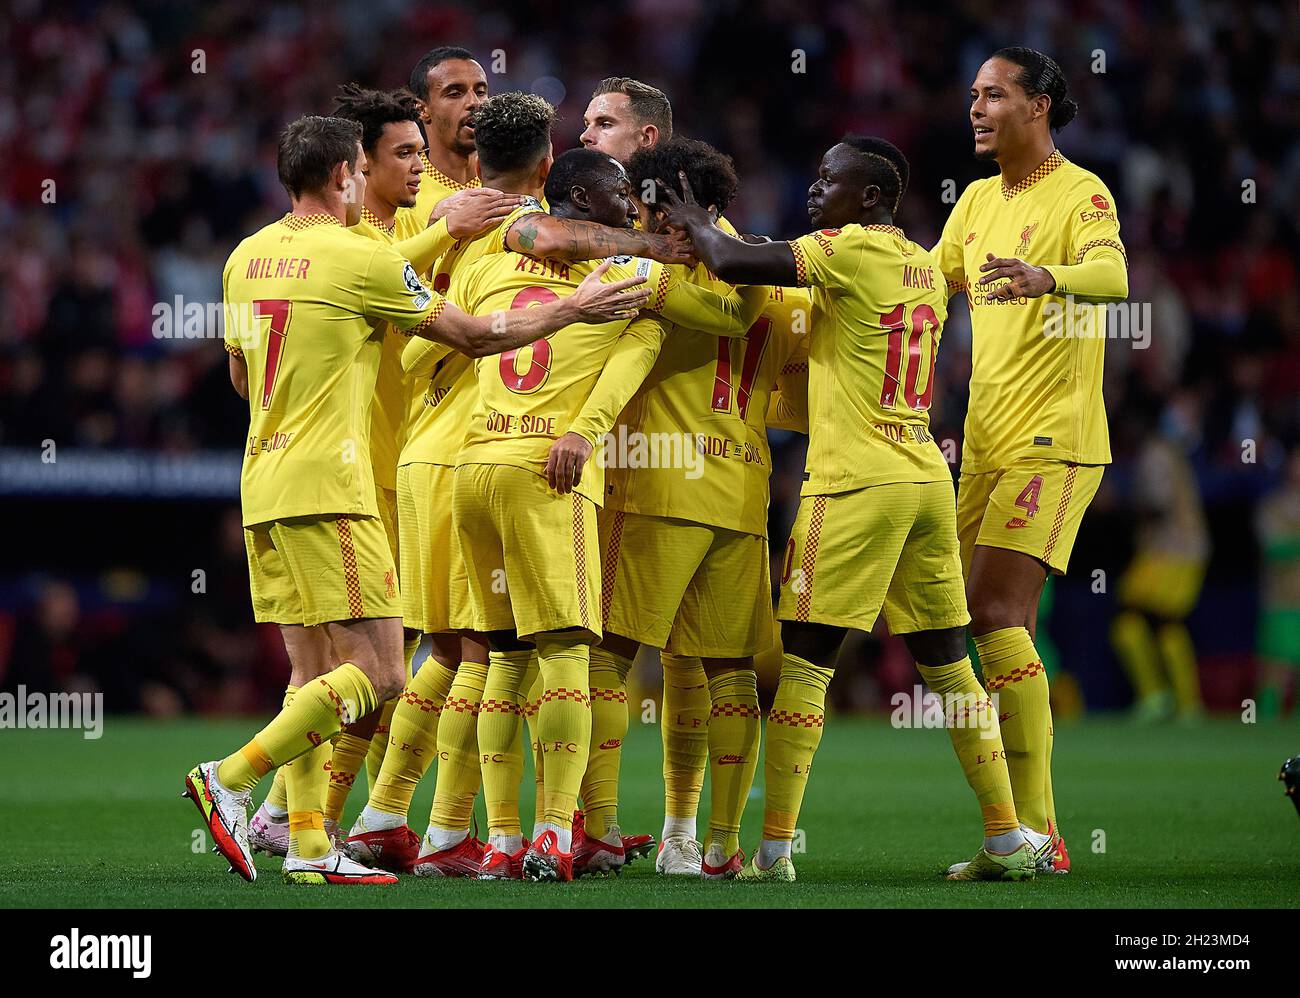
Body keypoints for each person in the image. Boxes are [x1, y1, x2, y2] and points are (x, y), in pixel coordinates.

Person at [184, 115, 651, 885]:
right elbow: (468, 335)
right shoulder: (360, 257)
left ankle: (307, 847)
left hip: (260, 479)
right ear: (344, 177)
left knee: (312, 675)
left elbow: (240, 377)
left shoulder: (245, 257)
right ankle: (230, 778)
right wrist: (570, 309)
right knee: (385, 673)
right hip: (333, 483)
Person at [662, 135, 1037, 882]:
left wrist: (688, 217)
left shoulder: (846, 249)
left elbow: (737, 262)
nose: (814, 187)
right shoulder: (926, 265)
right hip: (927, 477)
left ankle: (772, 851)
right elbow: (781, 258)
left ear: (869, 197)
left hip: (855, 483)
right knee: (949, 666)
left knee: (804, 665)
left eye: (829, 177)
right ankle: (1006, 837)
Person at [435, 146, 766, 881]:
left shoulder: (492, 257)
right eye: (617, 193)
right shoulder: (633, 276)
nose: (629, 203)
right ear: (584, 198)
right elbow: (735, 315)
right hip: (548, 474)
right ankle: (562, 832)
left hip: (474, 465)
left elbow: (454, 330)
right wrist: (713, 247)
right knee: (569, 655)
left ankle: (497, 840)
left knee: (498, 658)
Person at [931, 47, 1128, 873]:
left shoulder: (1081, 191)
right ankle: (1026, 836)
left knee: (992, 612)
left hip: (1056, 440)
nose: (977, 108)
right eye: (973, 95)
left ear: (1039, 105)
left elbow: (1116, 278)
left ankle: (1033, 836)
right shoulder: (973, 202)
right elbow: (928, 290)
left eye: (995, 95)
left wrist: (1049, 276)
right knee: (991, 630)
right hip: (984, 445)